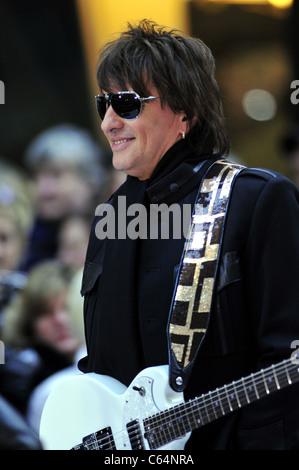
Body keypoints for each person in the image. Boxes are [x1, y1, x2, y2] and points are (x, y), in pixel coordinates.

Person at [78, 20, 299, 450]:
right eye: (103, 103)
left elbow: (288, 357)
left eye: (126, 103)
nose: (108, 122)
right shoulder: (111, 217)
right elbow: (102, 374)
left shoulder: (256, 199)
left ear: (185, 111)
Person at [21, 124, 110, 271]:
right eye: (37, 176)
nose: (42, 189)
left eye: (56, 175)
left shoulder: (117, 229)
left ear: (89, 180)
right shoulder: (28, 240)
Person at [1, 260, 82, 415]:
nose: (60, 320)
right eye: (45, 312)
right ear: (29, 322)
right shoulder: (21, 382)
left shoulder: (109, 363)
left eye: (67, 307)